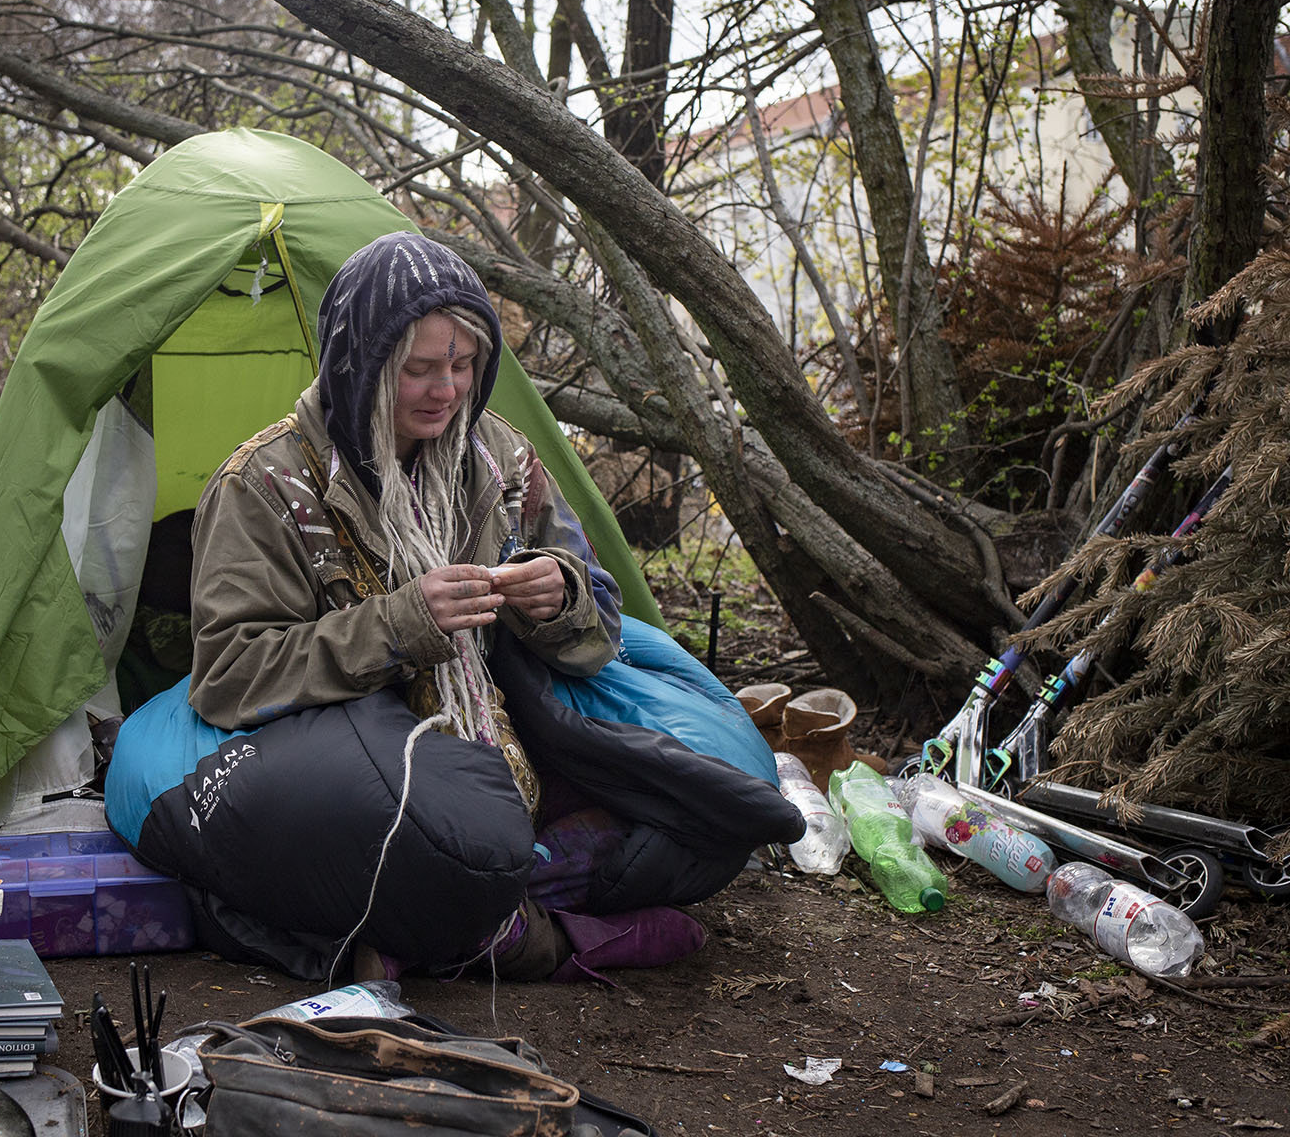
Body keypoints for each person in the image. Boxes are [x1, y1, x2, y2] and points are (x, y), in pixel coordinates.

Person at [110, 231, 801, 982]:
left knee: (699, 820)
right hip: (351, 745)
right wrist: (402, 624)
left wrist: (558, 593)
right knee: (443, 838)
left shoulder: (498, 460)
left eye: (464, 365)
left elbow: (601, 626)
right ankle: (539, 926)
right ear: (360, 366)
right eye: (420, 369)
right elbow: (233, 675)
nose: (447, 390)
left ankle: (476, 908)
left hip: (500, 731)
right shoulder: (267, 486)